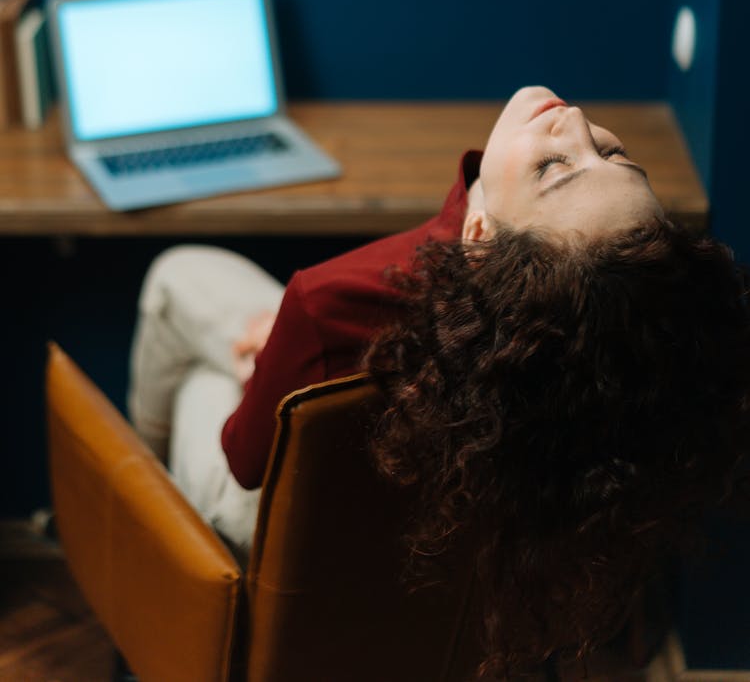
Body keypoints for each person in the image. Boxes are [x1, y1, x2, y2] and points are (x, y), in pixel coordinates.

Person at [127, 85, 750, 676]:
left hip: (280, 519)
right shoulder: (619, 346)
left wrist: (265, 374)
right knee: (187, 280)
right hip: (435, 562)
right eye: (615, 154)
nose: (579, 121)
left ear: (479, 242)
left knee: (180, 329)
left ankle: (145, 538)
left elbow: (244, 458)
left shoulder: (326, 303)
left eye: (555, 167)